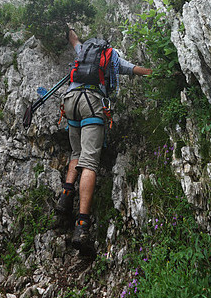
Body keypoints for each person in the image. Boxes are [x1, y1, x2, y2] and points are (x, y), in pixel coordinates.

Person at [55, 27, 152, 255]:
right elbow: (133, 70)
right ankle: (82, 227)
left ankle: (64, 200)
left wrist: (67, 28)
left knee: (76, 154)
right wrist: (155, 72)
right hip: (91, 102)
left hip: (70, 101)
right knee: (89, 162)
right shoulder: (111, 55)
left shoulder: (82, 50)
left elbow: (73, 39)